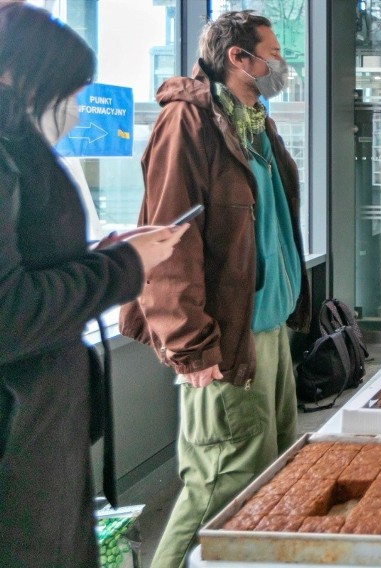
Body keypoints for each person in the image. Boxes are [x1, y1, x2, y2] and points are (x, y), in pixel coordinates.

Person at [118, 10, 311, 568]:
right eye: (273, 53)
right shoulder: (189, 122)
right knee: (220, 481)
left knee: (268, 470)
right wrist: (191, 344)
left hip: (267, 329)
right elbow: (168, 241)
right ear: (238, 58)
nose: (282, 65)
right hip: (223, 338)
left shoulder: (255, 122)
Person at [0, 4, 187, 566]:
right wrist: (124, 265)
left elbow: (28, 266)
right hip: (22, 440)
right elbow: (10, 310)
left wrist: (99, 257)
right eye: (71, 92)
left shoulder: (17, 144)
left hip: (40, 430)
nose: (77, 110)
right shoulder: (10, 150)